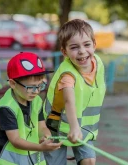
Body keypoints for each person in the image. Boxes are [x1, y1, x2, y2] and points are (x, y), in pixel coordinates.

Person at [0, 52, 62, 165]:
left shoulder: (36, 101)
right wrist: (41, 147)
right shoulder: (6, 108)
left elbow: (42, 126)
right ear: (13, 84)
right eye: (30, 87)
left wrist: (46, 136)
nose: (36, 91)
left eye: (40, 86)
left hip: (16, 159)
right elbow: (15, 141)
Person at [43, 19, 106, 165]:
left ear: (94, 45)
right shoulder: (67, 74)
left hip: (83, 127)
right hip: (56, 128)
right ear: (64, 52)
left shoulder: (98, 63)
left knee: (89, 161)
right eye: (74, 47)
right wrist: (74, 127)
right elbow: (69, 100)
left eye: (87, 44)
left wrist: (78, 128)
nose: (82, 51)